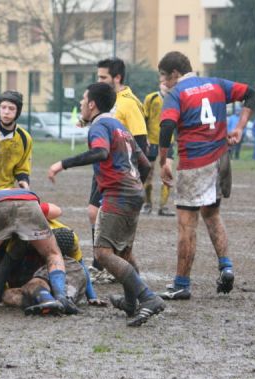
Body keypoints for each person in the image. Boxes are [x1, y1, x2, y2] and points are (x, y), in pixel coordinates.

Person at [47, 82, 165, 327]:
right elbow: (143, 164)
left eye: (83, 99)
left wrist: (63, 164)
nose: (80, 104)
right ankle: (131, 303)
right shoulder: (120, 126)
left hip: (118, 194)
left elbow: (100, 153)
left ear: (92, 104)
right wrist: (134, 187)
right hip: (133, 192)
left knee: (102, 253)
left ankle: (147, 297)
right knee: (124, 252)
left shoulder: (99, 125)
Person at [157, 51, 255, 300]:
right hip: (221, 160)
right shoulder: (217, 84)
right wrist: (239, 128)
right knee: (212, 214)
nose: (163, 82)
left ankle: (181, 284)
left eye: (164, 77)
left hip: (194, 164)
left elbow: (167, 126)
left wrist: (163, 160)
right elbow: (251, 94)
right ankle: (226, 266)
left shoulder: (176, 93)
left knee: (186, 225)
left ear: (174, 74)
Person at [90, 58, 149, 280]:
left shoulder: (128, 103)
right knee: (93, 212)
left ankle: (106, 262)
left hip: (119, 171)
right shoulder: (107, 101)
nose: (100, 81)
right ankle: (105, 263)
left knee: (98, 214)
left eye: (103, 77)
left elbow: (140, 141)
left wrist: (133, 176)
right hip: (104, 167)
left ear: (117, 78)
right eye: (98, 77)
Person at [141, 85, 175, 216]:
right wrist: (145, 138)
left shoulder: (175, 99)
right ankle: (147, 204)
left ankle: (163, 207)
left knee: (167, 173)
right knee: (148, 175)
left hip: (168, 142)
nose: (167, 84)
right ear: (160, 82)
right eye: (164, 81)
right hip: (152, 142)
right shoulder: (151, 98)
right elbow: (143, 119)